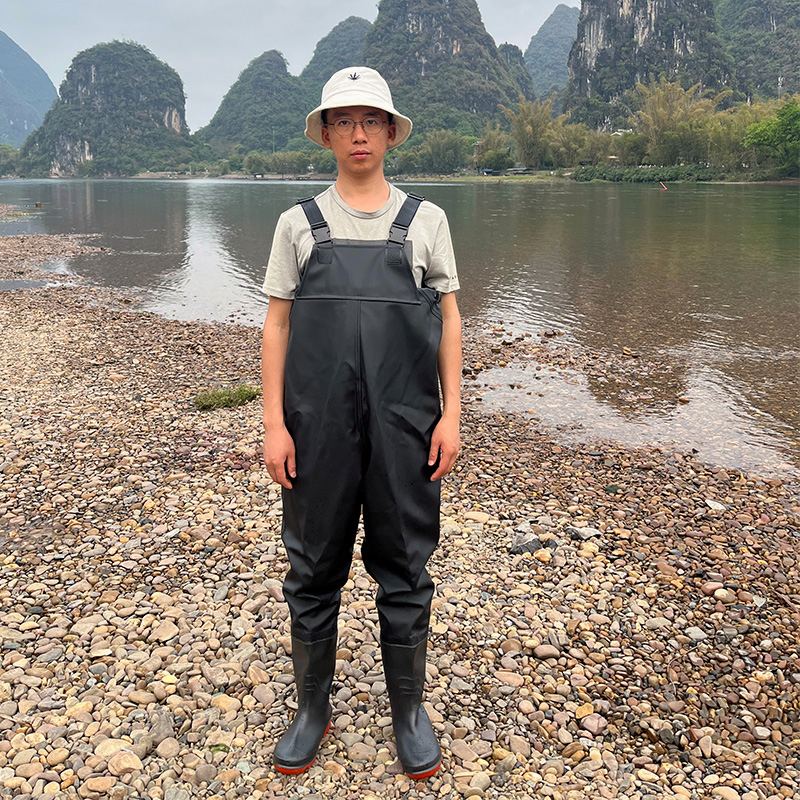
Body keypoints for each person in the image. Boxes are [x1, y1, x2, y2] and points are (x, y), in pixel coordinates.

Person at [260, 66, 461, 780]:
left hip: (407, 425)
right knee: (312, 565)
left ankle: (408, 710)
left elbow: (450, 319)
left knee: (406, 565)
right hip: (314, 428)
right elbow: (277, 324)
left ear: (389, 133)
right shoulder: (298, 223)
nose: (357, 133)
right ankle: (312, 707)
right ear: (326, 134)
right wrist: (274, 425)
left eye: (370, 120)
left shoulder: (426, 220)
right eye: (343, 121)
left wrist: (452, 416)